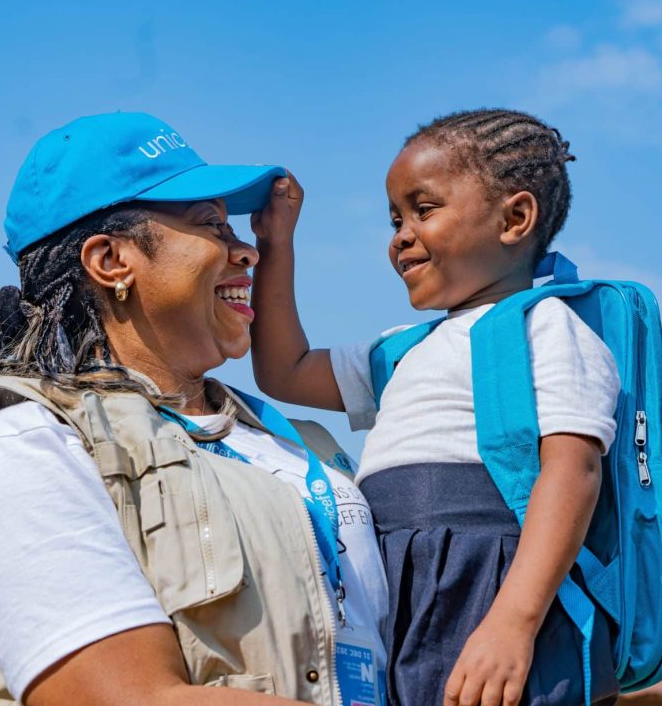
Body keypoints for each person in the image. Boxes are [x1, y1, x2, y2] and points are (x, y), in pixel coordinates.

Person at [0, 112, 388, 706]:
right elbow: (130, 697)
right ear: (111, 261)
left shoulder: (302, 444)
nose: (247, 252)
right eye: (210, 225)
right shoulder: (29, 442)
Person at [250, 109, 622, 706]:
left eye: (424, 210)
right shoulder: (403, 349)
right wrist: (276, 243)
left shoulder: (546, 324)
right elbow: (284, 370)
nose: (399, 234)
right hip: (399, 589)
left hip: (488, 585)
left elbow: (572, 471)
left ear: (515, 218)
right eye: (395, 217)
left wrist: (514, 622)